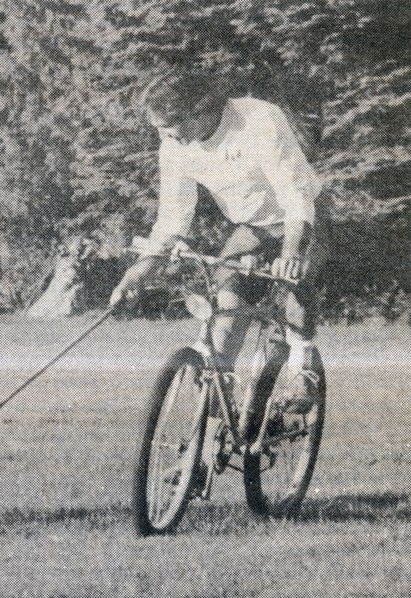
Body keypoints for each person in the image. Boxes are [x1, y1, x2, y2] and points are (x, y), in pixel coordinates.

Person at [109, 72, 325, 406]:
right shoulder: (175, 145)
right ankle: (213, 426)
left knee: (297, 289)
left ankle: (302, 364)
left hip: (303, 218)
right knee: (225, 311)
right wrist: (137, 273)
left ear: (198, 111)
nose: (164, 137)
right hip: (252, 227)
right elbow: (172, 219)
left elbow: (295, 196)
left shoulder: (258, 119)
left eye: (168, 128)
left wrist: (293, 253)